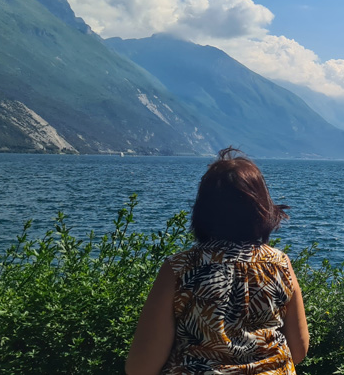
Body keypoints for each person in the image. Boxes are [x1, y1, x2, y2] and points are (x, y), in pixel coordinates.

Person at [126, 148, 309, 375]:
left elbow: (140, 367)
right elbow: (298, 351)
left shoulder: (180, 268)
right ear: (261, 207)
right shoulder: (279, 264)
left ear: (203, 210)